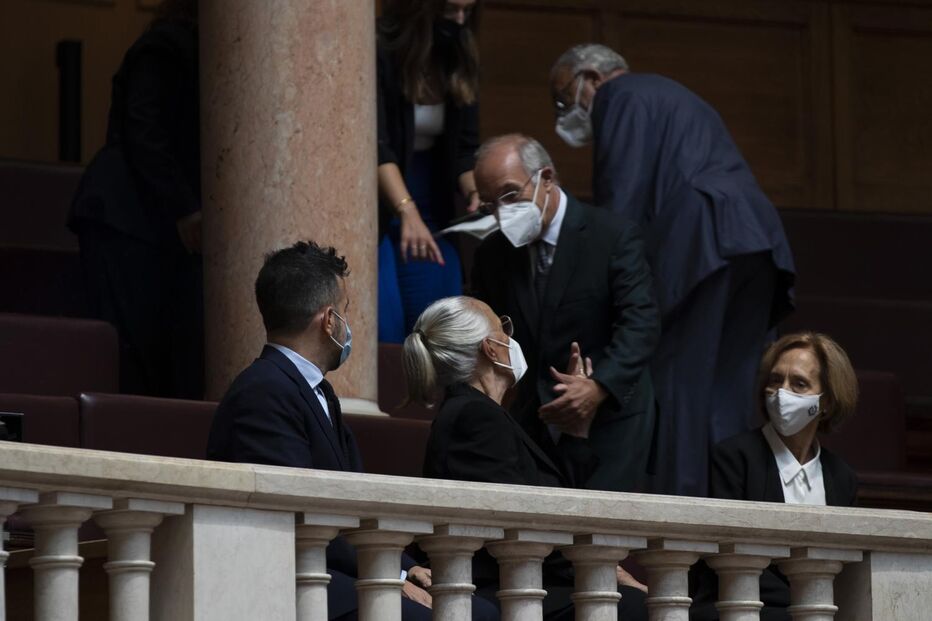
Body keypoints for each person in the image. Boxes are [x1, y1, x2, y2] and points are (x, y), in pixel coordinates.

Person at [549, 43, 797, 496]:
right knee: (730, 393)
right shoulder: (671, 93)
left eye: (565, 98)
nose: (567, 113)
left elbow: (621, 198)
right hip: (757, 240)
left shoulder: (617, 97)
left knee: (680, 385)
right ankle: (733, 513)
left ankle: (681, 520)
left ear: (591, 77)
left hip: (703, 243)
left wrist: (596, 280)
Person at [206, 242, 498, 621]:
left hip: (333, 570)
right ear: (329, 321)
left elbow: (350, 508)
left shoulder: (314, 389)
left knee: (481, 612)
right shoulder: (264, 390)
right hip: (293, 577)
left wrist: (404, 566)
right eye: (345, 312)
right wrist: (388, 576)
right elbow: (300, 516)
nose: (348, 324)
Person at [405, 295, 648, 621]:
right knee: (640, 608)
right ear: (490, 349)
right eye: (502, 327)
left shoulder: (482, 413)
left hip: (525, 580)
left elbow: (549, 504)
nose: (510, 336)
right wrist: (602, 571)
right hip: (501, 589)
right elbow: (519, 523)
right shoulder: (475, 416)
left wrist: (576, 432)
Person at [470, 134, 660, 493]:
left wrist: (598, 386)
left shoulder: (612, 236)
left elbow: (641, 324)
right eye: (490, 204)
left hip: (611, 420)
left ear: (547, 178)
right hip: (534, 424)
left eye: (511, 195)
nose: (503, 211)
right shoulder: (492, 254)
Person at [68, 0, 203, 399]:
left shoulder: (186, 48)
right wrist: (186, 208)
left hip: (152, 224)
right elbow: (144, 132)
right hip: (126, 219)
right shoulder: (164, 46)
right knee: (133, 356)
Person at [689, 332, 859, 620]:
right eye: (775, 380)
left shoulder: (841, 477)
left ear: (827, 401)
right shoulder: (734, 458)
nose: (782, 393)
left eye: (799, 383)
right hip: (746, 606)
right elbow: (731, 559)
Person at [376, 0, 482, 343]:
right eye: (451, 10)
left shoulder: (459, 55)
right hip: (379, 198)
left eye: (467, 11)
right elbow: (376, 144)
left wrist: (474, 192)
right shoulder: (381, 49)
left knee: (438, 320)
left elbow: (465, 149)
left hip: (431, 204)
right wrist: (406, 210)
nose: (460, 20)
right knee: (385, 322)